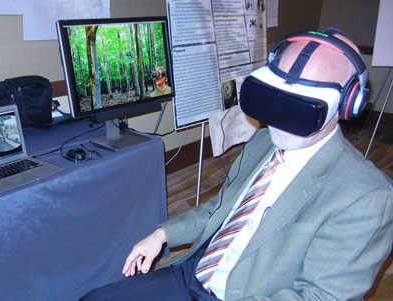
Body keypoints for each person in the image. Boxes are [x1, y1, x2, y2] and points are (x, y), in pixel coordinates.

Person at [80, 29, 393, 300]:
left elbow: (318, 296)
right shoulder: (263, 141)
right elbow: (221, 208)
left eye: (300, 107)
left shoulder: (367, 198)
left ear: (347, 105)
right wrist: (161, 235)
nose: (279, 121)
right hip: (194, 271)